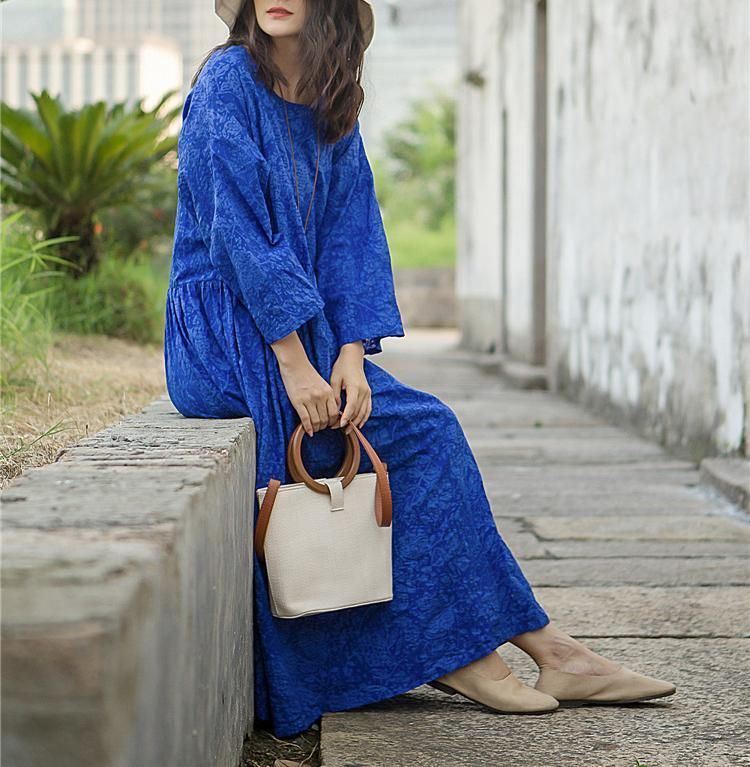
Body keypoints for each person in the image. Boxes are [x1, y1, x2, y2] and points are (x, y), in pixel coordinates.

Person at [163, 0, 676, 739]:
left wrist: (348, 356)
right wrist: (295, 364)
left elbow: (352, 232)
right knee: (328, 442)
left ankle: (547, 647)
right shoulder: (226, 83)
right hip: (224, 331)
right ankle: (464, 651)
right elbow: (238, 235)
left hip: (305, 334)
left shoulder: (333, 100)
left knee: (426, 430)